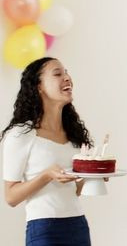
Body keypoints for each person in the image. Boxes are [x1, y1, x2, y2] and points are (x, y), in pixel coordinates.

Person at [1, 57, 93, 246]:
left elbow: (73, 191)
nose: (67, 78)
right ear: (39, 86)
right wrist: (46, 175)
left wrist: (90, 176)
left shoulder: (73, 135)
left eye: (66, 72)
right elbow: (10, 197)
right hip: (44, 228)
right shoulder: (21, 134)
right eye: (58, 74)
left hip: (78, 224)